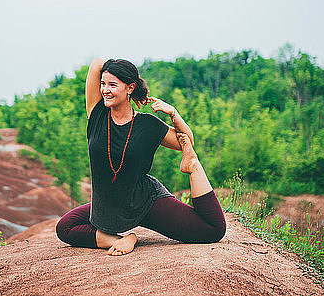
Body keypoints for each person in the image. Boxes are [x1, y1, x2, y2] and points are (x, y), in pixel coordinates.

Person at [55, 58, 226, 256]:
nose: (105, 90)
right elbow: (96, 63)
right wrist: (113, 69)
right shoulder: (97, 114)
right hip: (108, 205)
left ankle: (193, 167)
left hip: (145, 202)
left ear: (130, 88)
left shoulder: (148, 125)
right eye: (103, 84)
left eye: (112, 84)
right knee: (65, 228)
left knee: (212, 230)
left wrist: (174, 114)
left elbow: (186, 142)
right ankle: (125, 239)